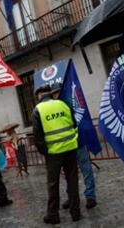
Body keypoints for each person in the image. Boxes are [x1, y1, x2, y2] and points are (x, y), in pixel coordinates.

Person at [32, 84, 81, 224]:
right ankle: (75, 212)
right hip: (71, 148)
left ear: (40, 95)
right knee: (72, 181)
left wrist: (45, 151)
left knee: (53, 183)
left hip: (53, 152)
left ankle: (53, 214)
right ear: (49, 93)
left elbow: (38, 136)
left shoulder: (38, 109)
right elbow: (73, 124)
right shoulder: (63, 104)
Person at [50, 83, 97, 210]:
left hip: (78, 143)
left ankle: (90, 195)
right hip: (65, 146)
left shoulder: (71, 104)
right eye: (54, 93)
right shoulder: (53, 108)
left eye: (58, 92)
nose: (56, 95)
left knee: (86, 169)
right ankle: (71, 197)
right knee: (68, 174)